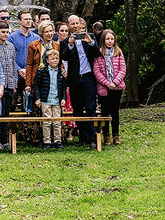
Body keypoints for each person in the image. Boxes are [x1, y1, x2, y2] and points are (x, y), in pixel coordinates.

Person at [60, 14, 99, 148]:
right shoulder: (65, 42)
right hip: (75, 79)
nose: (75, 26)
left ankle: (93, 138)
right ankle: (83, 137)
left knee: (90, 108)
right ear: (69, 25)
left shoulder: (90, 37)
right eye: (73, 24)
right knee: (77, 110)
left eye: (77, 23)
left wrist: (91, 42)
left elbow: (97, 54)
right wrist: (70, 45)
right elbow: (63, 57)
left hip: (88, 77)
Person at [93, 29, 127, 146]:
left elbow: (123, 69)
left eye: (112, 39)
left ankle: (116, 135)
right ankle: (106, 136)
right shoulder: (98, 53)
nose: (110, 41)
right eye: (107, 39)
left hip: (117, 87)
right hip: (104, 87)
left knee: (115, 112)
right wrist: (107, 83)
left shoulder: (118, 52)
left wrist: (115, 82)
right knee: (105, 112)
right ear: (103, 40)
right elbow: (97, 72)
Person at [33, 47, 66, 149]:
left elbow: (63, 87)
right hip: (45, 100)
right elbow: (37, 86)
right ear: (47, 60)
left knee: (57, 122)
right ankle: (46, 141)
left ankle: (57, 141)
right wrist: (38, 98)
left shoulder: (61, 72)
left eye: (57, 58)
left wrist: (63, 98)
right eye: (52, 59)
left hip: (56, 100)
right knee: (46, 122)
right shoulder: (42, 71)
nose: (55, 60)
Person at [0, 21, 18, 148]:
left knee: (6, 112)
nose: (5, 34)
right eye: (3, 32)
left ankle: (5, 140)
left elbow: (13, 65)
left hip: (9, 83)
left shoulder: (11, 46)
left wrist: (14, 84)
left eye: (7, 32)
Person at [9, 9, 39, 112]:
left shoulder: (37, 38)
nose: (28, 21)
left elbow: (38, 57)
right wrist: (19, 69)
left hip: (31, 76)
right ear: (19, 21)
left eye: (30, 19)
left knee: (31, 105)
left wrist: (28, 70)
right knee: (12, 104)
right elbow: (9, 57)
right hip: (15, 76)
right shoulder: (12, 38)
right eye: (26, 19)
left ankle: (30, 128)